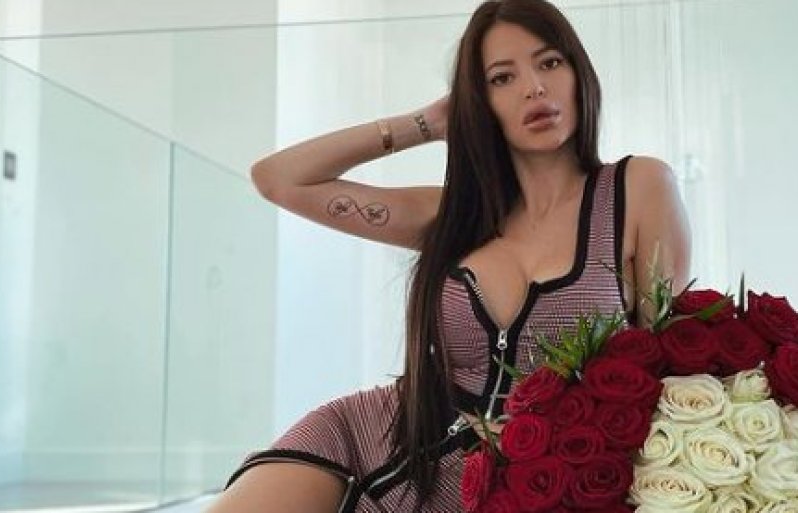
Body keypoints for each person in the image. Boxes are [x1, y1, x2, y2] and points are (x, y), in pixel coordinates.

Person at [207, 0, 690, 511]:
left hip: (537, 480)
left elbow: (669, 367)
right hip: (389, 436)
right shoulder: (451, 215)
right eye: (502, 78)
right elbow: (279, 178)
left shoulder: (637, 188)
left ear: (578, 73)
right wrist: (428, 123)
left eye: (550, 62)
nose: (534, 87)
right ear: (479, 102)